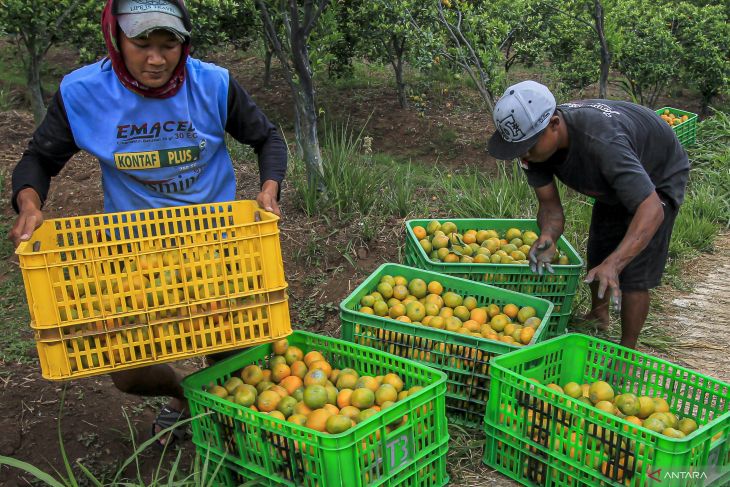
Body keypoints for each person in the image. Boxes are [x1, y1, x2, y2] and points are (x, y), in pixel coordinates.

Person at [8, 0, 287, 447]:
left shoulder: (212, 84)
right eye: (142, 44)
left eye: (168, 45)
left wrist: (269, 188)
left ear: (184, 44)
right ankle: (185, 395)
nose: (156, 59)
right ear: (116, 40)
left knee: (231, 346)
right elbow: (40, 158)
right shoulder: (84, 93)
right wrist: (29, 202)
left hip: (214, 241)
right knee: (129, 369)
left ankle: (230, 419)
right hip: (137, 250)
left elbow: (266, 136)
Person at [487, 80, 689, 350]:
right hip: (613, 181)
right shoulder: (533, 151)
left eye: (529, 146)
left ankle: (628, 349)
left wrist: (616, 264)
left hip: (657, 175)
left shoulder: (603, 143)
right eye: (518, 149)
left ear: (555, 124)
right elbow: (549, 207)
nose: (523, 155)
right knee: (599, 250)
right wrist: (548, 235)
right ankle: (599, 315)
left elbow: (651, 210)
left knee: (634, 273)